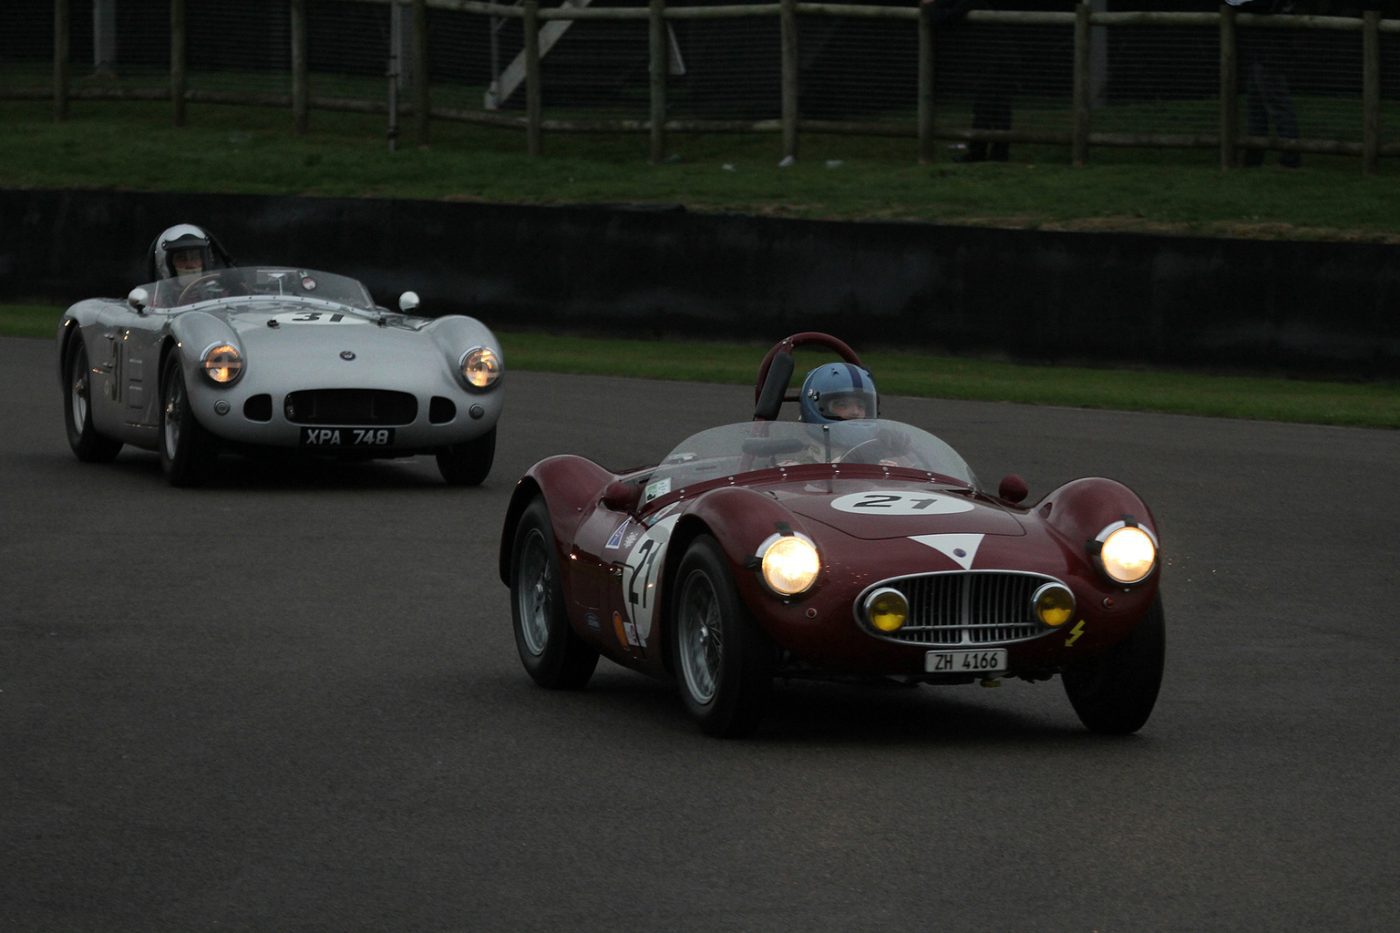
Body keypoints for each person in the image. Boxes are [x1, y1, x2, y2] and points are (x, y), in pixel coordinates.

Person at [923, 0, 1015, 163]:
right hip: (997, 59)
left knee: (992, 109)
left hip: (997, 61)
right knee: (991, 108)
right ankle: (989, 154)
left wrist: (930, 7)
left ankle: (989, 154)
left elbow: (945, 18)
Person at [1227, 0, 1302, 168]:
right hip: (1262, 53)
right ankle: (1253, 158)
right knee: (1256, 108)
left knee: (1278, 107)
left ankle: (1290, 159)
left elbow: (1261, 6)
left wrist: (1234, 3)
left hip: (1271, 55)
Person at [147, 223, 234, 282]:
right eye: (181, 258)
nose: (190, 265)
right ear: (165, 263)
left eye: (195, 257)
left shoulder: (221, 295)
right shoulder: (157, 303)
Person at [798, 362, 879, 424]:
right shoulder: (799, 446)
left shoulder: (876, 443)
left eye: (861, 406)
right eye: (842, 405)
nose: (855, 412)